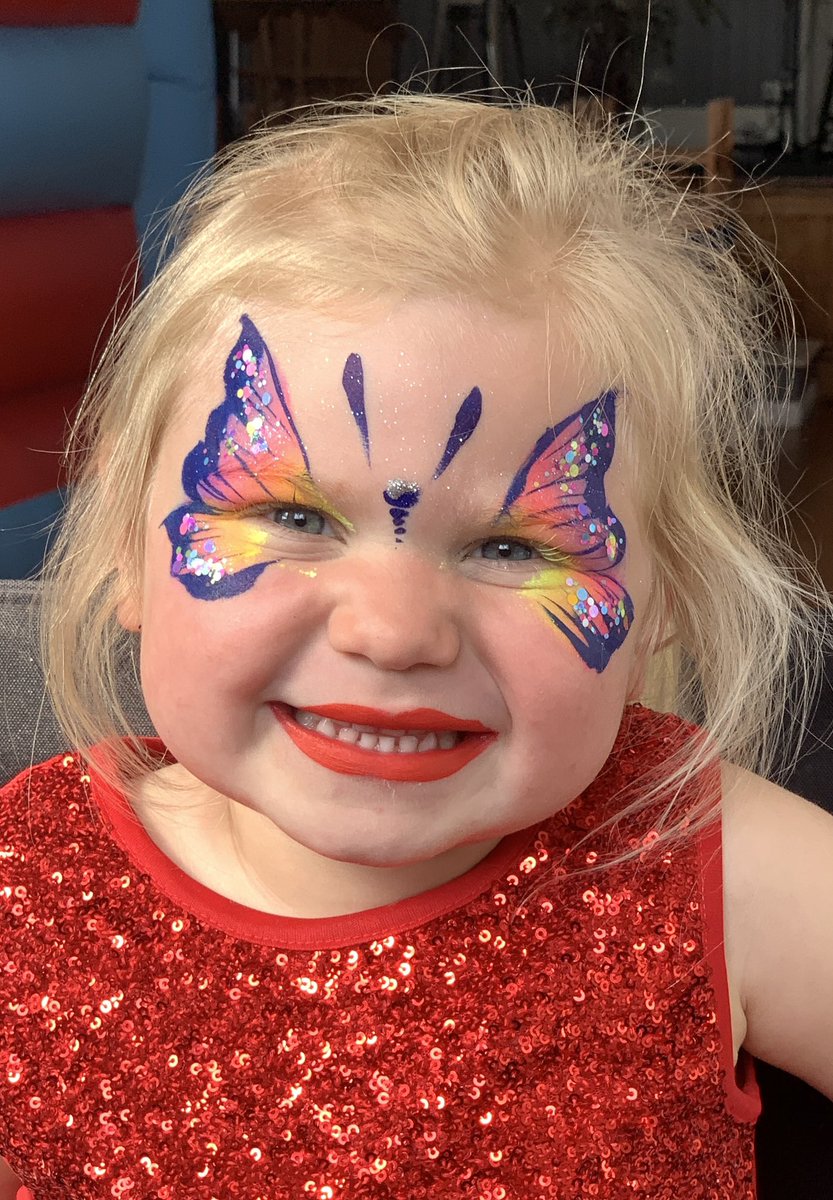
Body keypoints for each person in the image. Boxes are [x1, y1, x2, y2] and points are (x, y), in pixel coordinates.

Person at [1, 94, 832, 1200]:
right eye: (295, 518)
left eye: (509, 542)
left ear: (663, 594)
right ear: (121, 545)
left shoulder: (710, 866)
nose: (390, 631)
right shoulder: (28, 891)